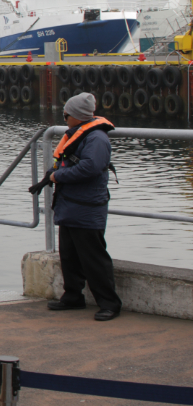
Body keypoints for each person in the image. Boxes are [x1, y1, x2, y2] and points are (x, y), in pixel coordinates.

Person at [29, 92, 122, 321]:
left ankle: (109, 303)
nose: (64, 116)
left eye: (66, 113)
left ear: (76, 116)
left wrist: (57, 177)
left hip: (87, 207)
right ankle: (73, 296)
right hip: (70, 205)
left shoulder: (97, 139)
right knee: (69, 255)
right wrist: (51, 176)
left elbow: (90, 168)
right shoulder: (79, 135)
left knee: (93, 257)